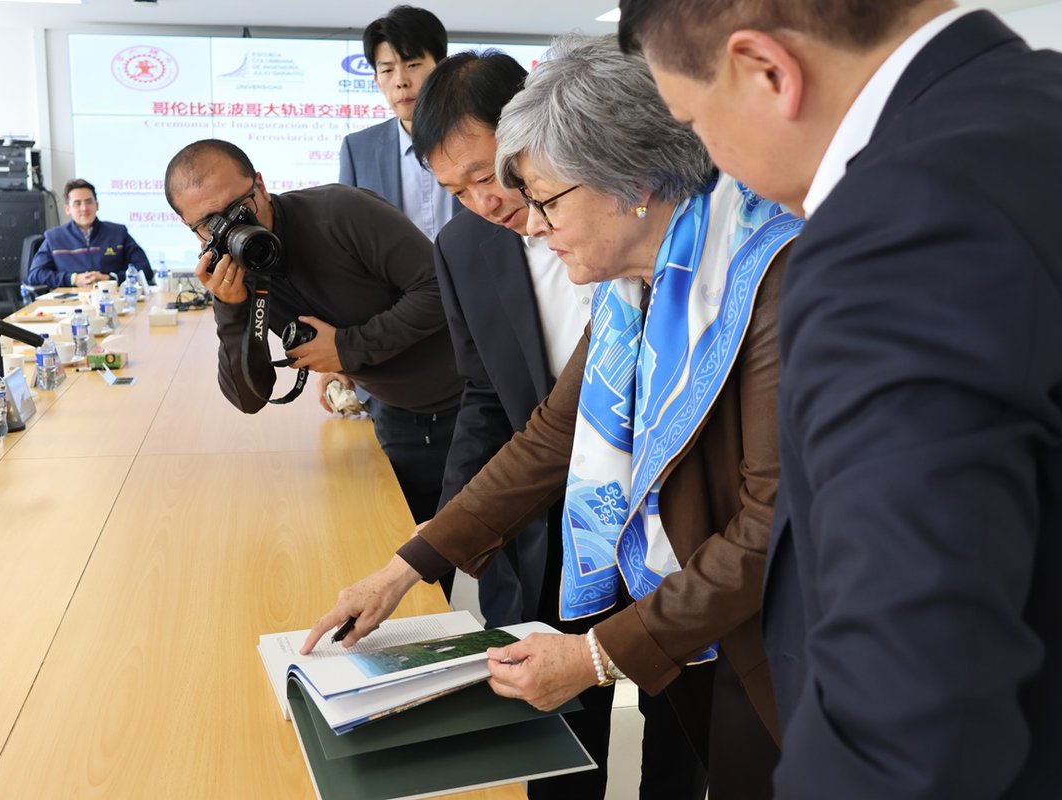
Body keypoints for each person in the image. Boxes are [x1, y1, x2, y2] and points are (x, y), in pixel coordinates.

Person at [618, 1, 1062, 797]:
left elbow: (910, 699)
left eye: (694, 122)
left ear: (766, 70)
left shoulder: (899, 225)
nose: (717, 163)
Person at [303, 35, 801, 800]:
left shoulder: (768, 273)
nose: (528, 225)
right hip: (699, 614)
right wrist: (408, 566)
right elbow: (548, 435)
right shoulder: (633, 285)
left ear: (629, 179)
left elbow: (770, 527)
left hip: (777, 640)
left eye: (546, 199)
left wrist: (598, 656)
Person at [410, 50, 703, 800]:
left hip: (683, 546)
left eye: (491, 175)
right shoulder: (473, 251)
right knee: (558, 757)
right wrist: (428, 555)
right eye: (457, 189)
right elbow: (516, 416)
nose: (490, 203)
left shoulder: (701, 263)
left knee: (682, 738)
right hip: (550, 541)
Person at [164, 139, 462, 526]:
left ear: (261, 185)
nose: (234, 227)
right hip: (394, 412)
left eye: (240, 208)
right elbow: (250, 398)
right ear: (192, 229)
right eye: (210, 225)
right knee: (413, 559)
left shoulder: (341, 212)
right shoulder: (238, 272)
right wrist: (231, 307)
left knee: (502, 561)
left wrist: (346, 349)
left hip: (472, 400)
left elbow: (441, 289)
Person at [338, 5, 456, 241]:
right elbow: (349, 236)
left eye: (412, 65)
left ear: (442, 68)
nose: (401, 81)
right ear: (377, 80)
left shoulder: (479, 136)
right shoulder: (358, 150)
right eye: (388, 70)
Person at [28, 178, 152, 289]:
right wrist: (74, 279)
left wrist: (110, 278)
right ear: (67, 209)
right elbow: (35, 275)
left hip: (112, 299)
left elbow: (144, 269)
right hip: (70, 304)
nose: (84, 208)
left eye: (89, 202)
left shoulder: (118, 233)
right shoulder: (54, 238)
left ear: (97, 205)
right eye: (77, 203)